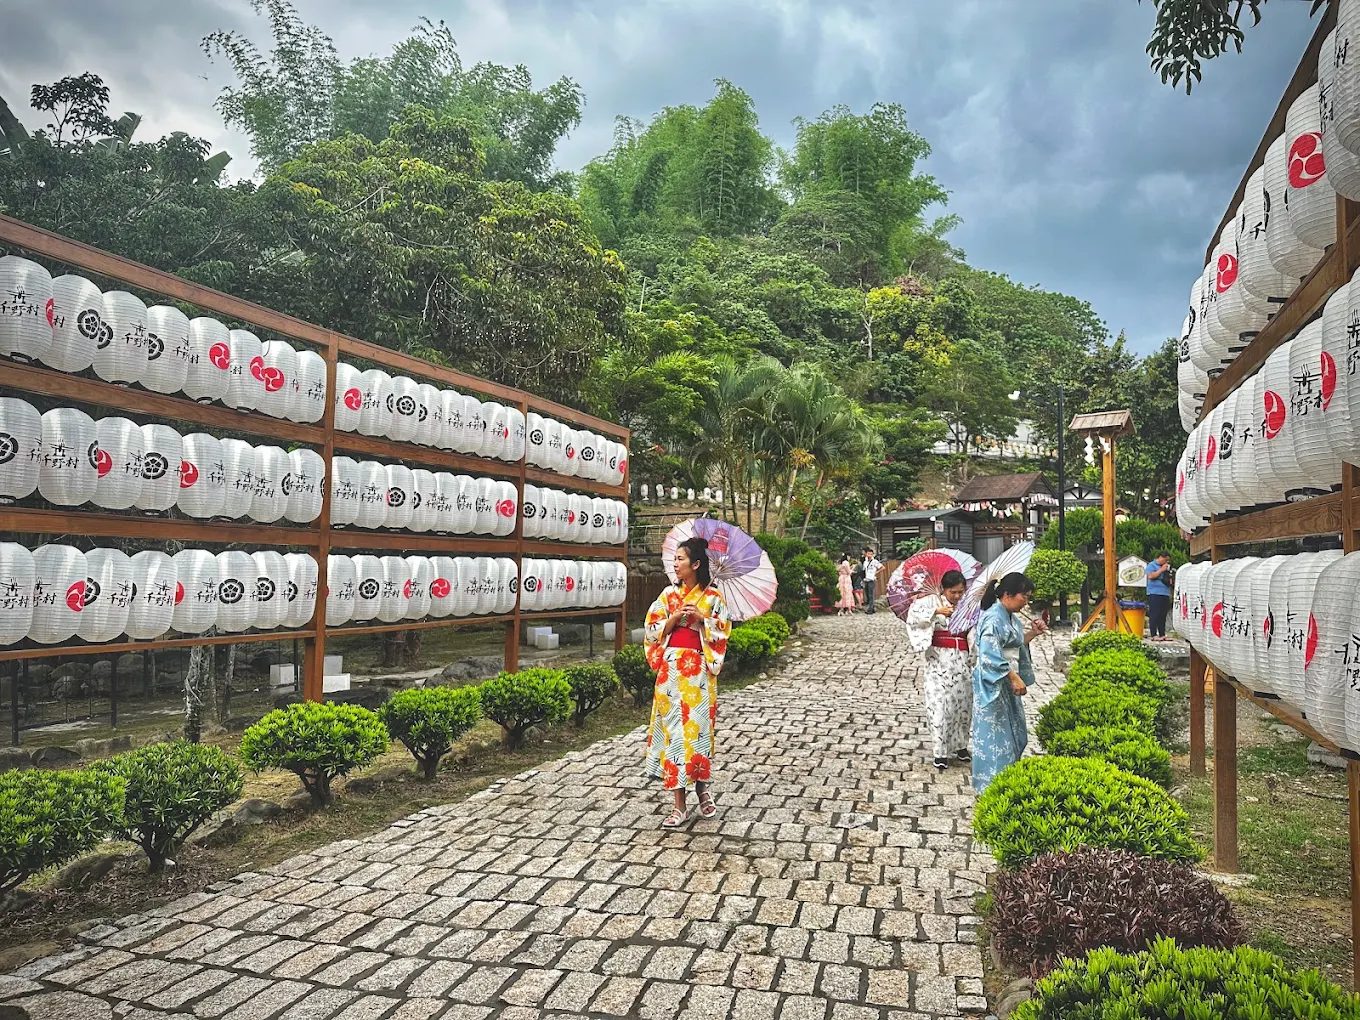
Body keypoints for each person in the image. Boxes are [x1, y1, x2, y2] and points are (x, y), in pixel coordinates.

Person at [644, 536, 732, 828]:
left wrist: (702, 620)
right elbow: (652, 628)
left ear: (695, 564)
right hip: (671, 672)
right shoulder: (668, 595)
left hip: (698, 674)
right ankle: (678, 804)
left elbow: (723, 631)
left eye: (680, 559)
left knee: (698, 733)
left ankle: (702, 789)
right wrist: (674, 618)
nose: (675, 564)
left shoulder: (713, 597)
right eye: (675, 559)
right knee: (675, 734)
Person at [971, 571, 1047, 793]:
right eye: (1024, 596)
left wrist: (1032, 633)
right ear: (1007, 594)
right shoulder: (993, 618)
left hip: (1006, 680)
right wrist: (1013, 676)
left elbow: (1015, 644)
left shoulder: (1011, 618)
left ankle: (1007, 780)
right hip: (994, 683)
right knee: (995, 736)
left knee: (1015, 730)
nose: (1026, 602)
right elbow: (989, 654)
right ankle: (990, 787)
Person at [905, 569, 973, 771]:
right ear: (944, 589)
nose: (957, 596)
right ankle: (940, 751)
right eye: (953, 592)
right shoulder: (929, 602)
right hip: (939, 661)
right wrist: (935, 612)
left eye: (960, 592)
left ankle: (961, 745)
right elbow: (913, 619)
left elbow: (974, 631)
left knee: (962, 705)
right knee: (940, 706)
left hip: (962, 661)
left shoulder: (968, 606)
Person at [1145, 553, 1173, 641]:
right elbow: (1150, 576)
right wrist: (1161, 570)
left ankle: (1162, 634)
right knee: (1155, 613)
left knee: (1163, 614)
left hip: (1165, 593)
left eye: (1168, 560)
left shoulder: (1167, 567)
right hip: (1154, 593)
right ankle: (1153, 634)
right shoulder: (1151, 565)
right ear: (1160, 557)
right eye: (1165, 560)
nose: (1166, 562)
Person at [861, 547, 884, 614]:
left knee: (871, 595)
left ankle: (870, 609)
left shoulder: (875, 562)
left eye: (871, 554)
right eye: (868, 554)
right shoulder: (865, 562)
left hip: (871, 579)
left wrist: (876, 572)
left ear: (872, 555)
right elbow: (864, 570)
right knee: (867, 595)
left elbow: (882, 567)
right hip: (866, 579)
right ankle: (872, 608)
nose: (869, 555)